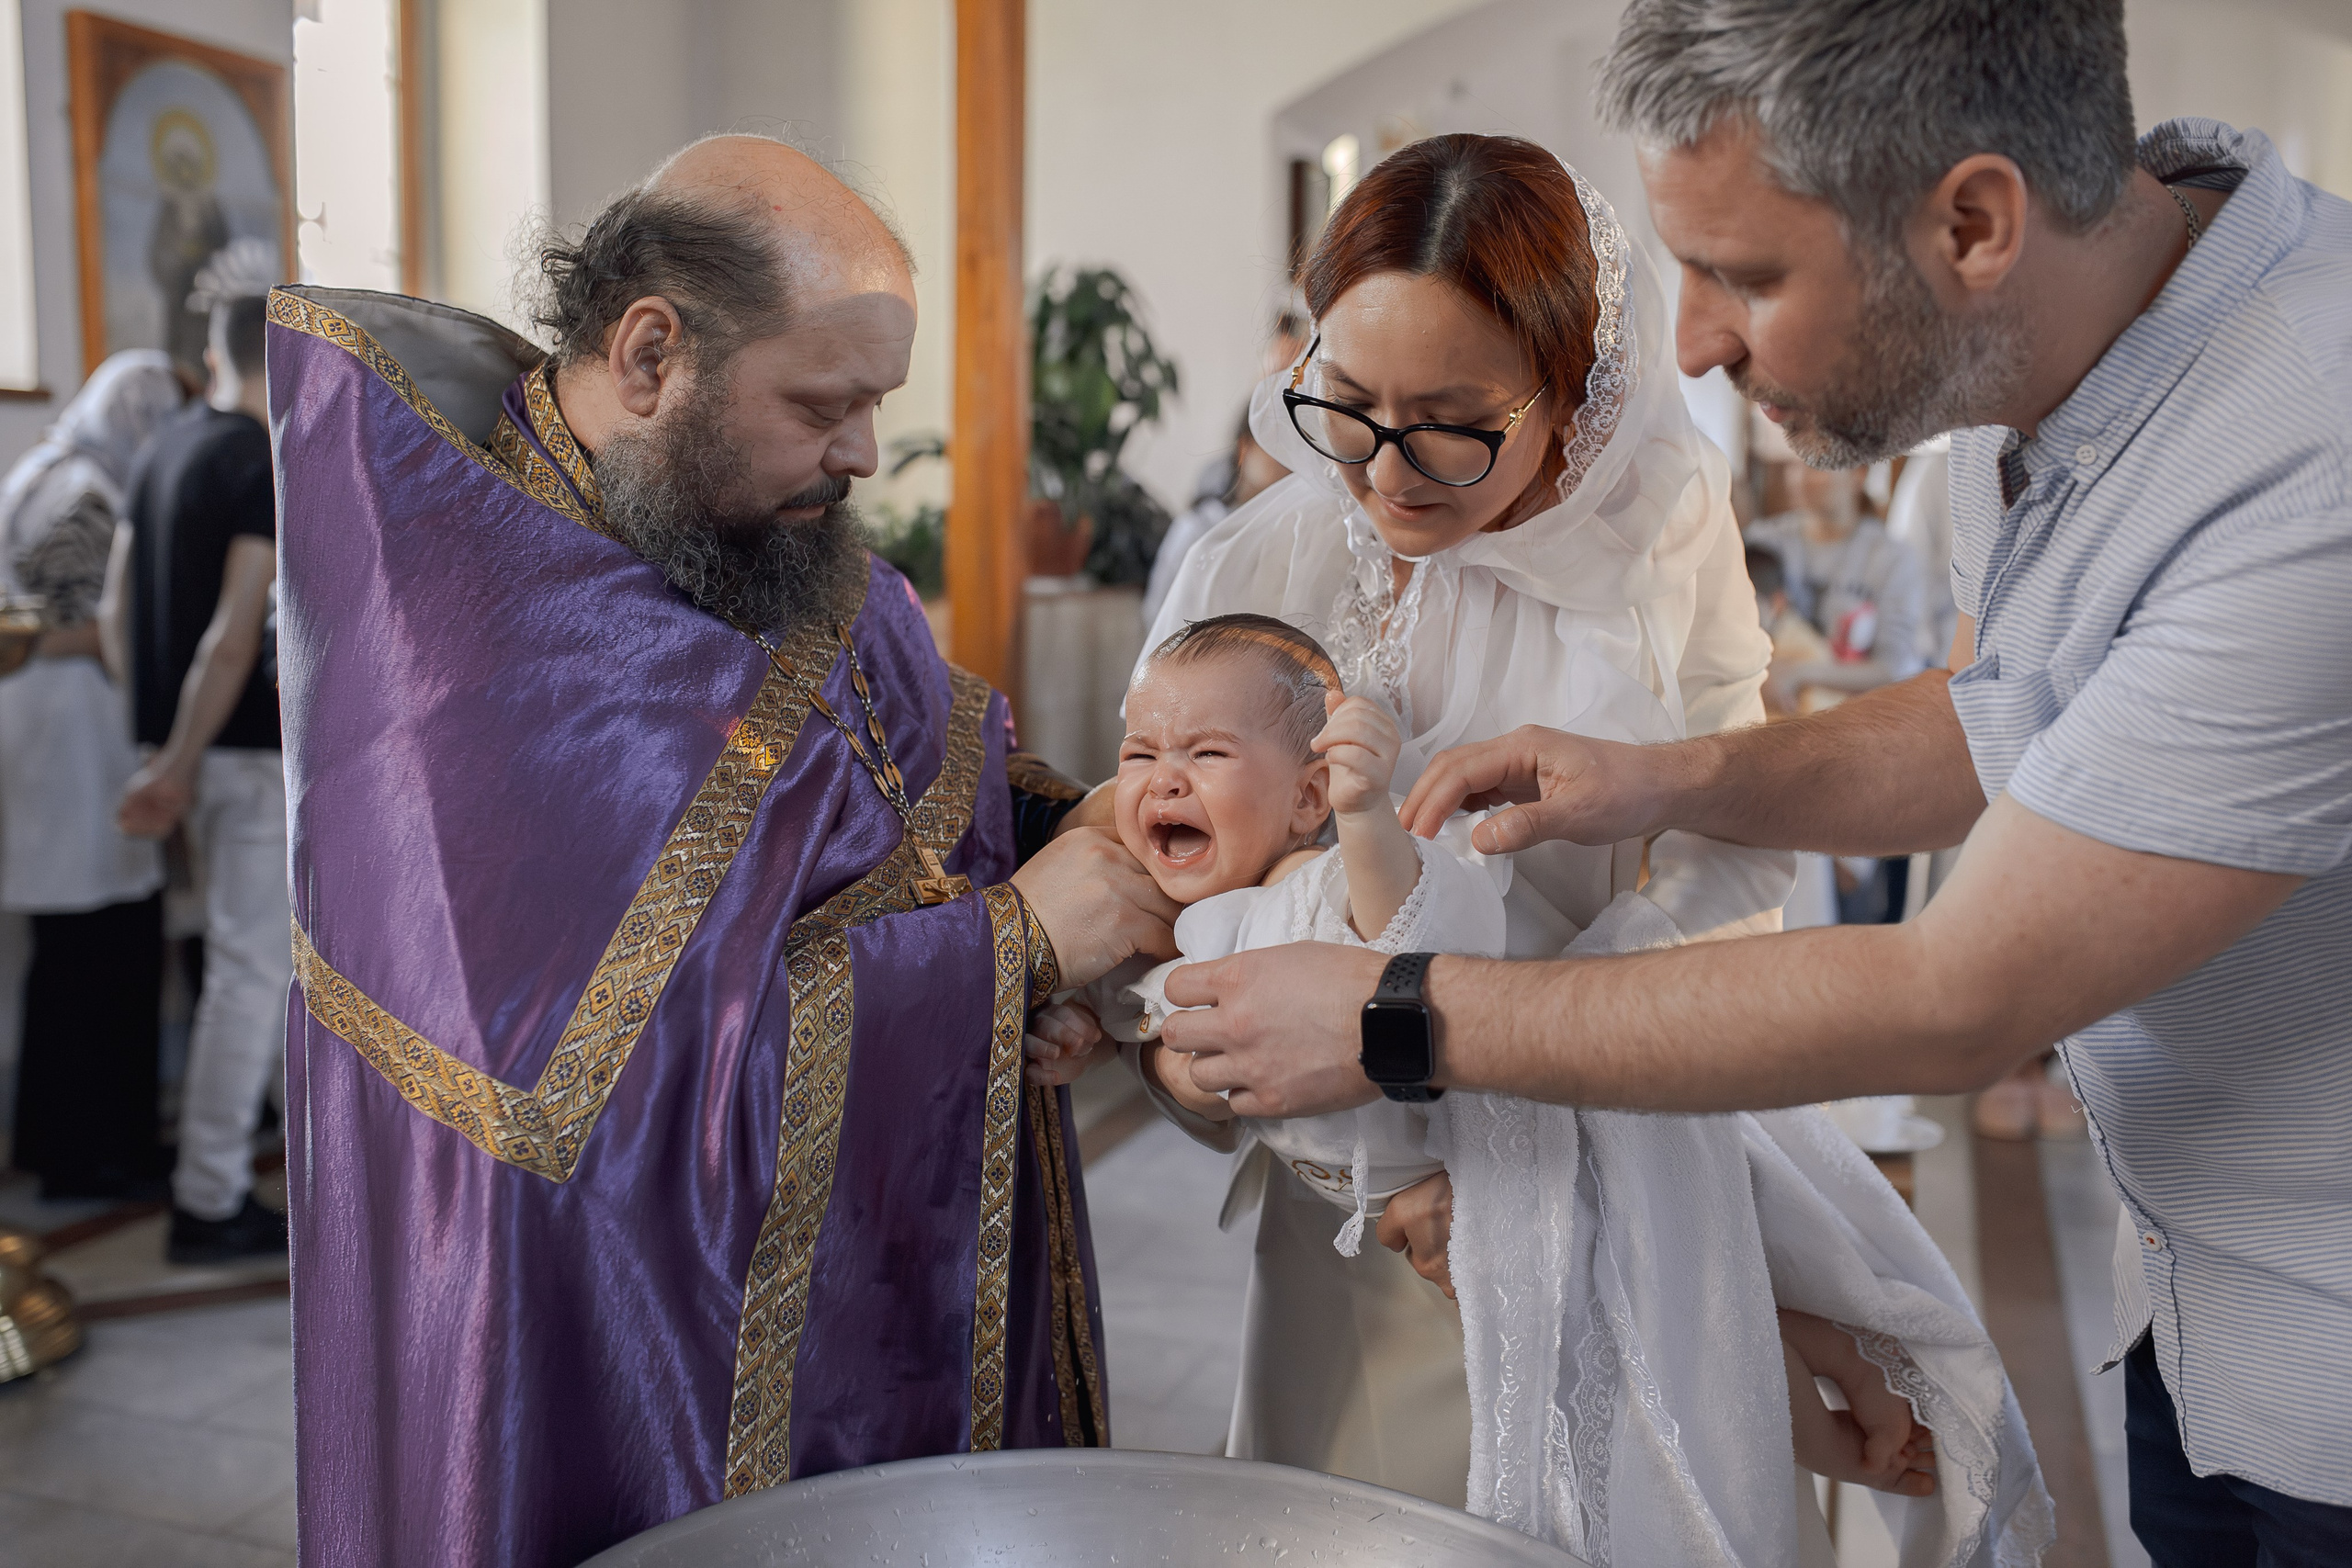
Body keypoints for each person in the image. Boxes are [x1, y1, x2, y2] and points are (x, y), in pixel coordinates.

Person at [1160, 4, 2352, 1563]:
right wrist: (1666, 779)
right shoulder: (2073, 374)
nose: (1696, 344)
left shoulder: (2310, 459)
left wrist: (1396, 1016)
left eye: (1749, 276)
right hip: (2202, 1322)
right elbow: (2001, 720)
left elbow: (1954, 996)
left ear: (1976, 221)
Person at [266, 135, 1175, 1568]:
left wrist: (1084, 835)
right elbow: (626, 1108)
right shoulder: (454, 642)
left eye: (876, 403)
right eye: (826, 402)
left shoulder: (751, 527)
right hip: (615, 1362)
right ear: (648, 356)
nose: (867, 452)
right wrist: (1017, 945)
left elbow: (914, 778)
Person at [1141, 134, 2045, 1561]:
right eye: (1348, 404)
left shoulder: (1656, 547)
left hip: (1591, 1172)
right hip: (1351, 1209)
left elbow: (1727, 867)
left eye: (1451, 421)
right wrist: (1186, 1044)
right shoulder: (1260, 562)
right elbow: (1169, 852)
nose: (1388, 470)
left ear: (1573, 392)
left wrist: (1497, 1143)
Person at [1037, 614, 1946, 1517]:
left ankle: (1827, 1428)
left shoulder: (1320, 888)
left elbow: (1416, 942)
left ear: (1307, 797)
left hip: (1503, 1170)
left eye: (1205, 755)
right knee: (1646, 1315)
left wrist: (1365, 818)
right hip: (1387, 1226)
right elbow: (1138, 1019)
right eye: (1139, 755)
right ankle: (1820, 1349)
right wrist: (1085, 1033)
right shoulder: (1171, 923)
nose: (1164, 779)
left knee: (1675, 1323)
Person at [108, 292, 290, 1264]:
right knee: (251, 976)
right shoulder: (250, 462)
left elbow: (114, 609)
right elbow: (231, 638)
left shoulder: (162, 446)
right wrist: (178, 762)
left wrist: (153, 744)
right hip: (241, 755)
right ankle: (210, 1196)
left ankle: (295, 1160)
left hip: (189, 750)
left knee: (254, 967)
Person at [0, 351, 182, 1199]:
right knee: (104, 948)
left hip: (37, 727)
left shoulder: (36, 467)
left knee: (67, 951)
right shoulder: (88, 491)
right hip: (77, 730)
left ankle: (55, 1141)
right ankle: (101, 1151)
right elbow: (85, 624)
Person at [1748, 462, 1926, 925]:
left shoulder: (1890, 557)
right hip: (1775, 747)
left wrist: (1802, 672)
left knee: (1847, 915)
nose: (1804, 477)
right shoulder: (1769, 539)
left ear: (1857, 472)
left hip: (1855, 748)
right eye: (1796, 465)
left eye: (1820, 467)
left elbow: (1898, 666)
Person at [1139, 412, 1288, 627]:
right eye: (1277, 446)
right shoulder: (1198, 528)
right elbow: (1157, 612)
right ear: (1244, 448)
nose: (1289, 462)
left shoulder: (1293, 531)